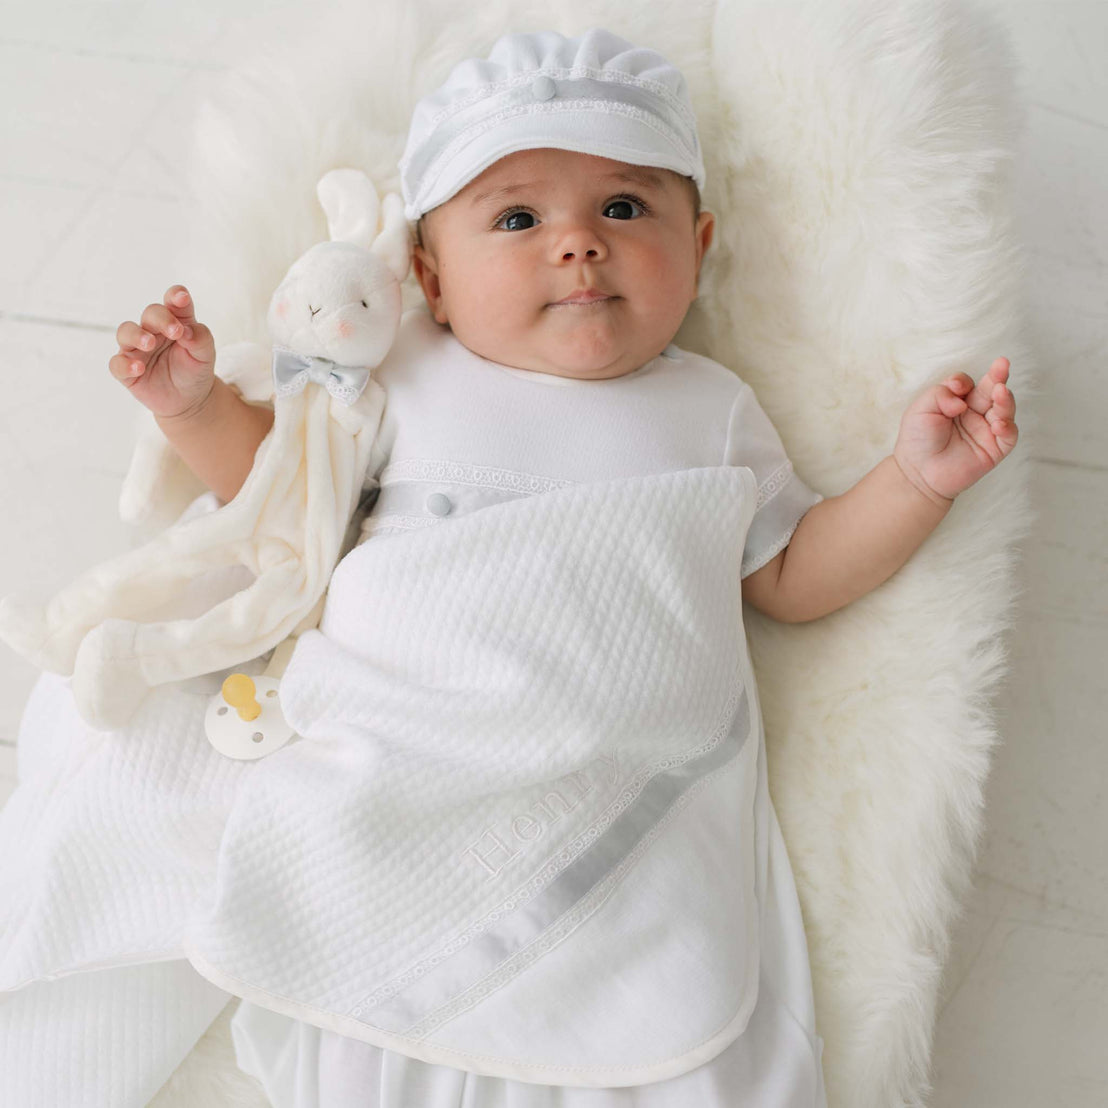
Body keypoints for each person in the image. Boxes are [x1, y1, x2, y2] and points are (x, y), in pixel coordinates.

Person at [108, 26, 1018, 1108]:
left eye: (625, 208)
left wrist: (913, 482)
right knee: (380, 995)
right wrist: (193, 407)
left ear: (700, 245)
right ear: (431, 280)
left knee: (645, 1001)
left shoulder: (711, 408)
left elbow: (793, 574)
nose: (580, 243)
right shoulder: (405, 374)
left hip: (611, 777)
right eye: (517, 219)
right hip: (408, 763)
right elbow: (283, 498)